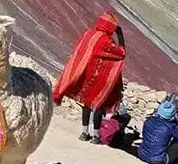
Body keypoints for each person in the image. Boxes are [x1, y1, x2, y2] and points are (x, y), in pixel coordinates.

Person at [53, 11, 126, 144]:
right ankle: (96, 136)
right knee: (98, 104)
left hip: (86, 75)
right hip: (99, 78)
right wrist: (120, 36)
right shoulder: (106, 41)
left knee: (87, 103)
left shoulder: (88, 35)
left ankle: (84, 133)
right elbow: (121, 53)